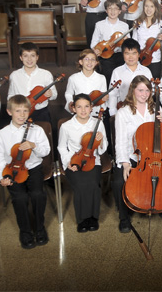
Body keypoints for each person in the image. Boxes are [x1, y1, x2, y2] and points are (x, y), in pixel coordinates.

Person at [0, 95, 50, 249]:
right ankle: (25, 232)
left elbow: (45, 151)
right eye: (18, 111)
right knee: (20, 198)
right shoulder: (1, 134)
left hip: (33, 167)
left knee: (38, 194)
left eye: (25, 111)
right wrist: (4, 175)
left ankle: (39, 228)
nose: (22, 115)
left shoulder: (36, 130)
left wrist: (33, 145)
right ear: (9, 112)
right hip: (11, 170)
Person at [113, 76, 162, 233]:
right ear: (132, 91)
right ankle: (124, 218)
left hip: (152, 157)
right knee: (119, 182)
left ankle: (159, 205)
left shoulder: (155, 109)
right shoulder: (123, 113)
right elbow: (120, 141)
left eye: (147, 90)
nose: (144, 94)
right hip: (131, 157)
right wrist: (125, 164)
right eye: (140, 90)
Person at [58, 94, 108, 233]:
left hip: (93, 160)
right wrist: (68, 162)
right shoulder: (66, 126)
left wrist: (101, 140)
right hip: (74, 160)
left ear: (92, 108)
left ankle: (93, 218)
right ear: (73, 108)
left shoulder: (98, 123)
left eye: (87, 106)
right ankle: (82, 220)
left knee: (92, 184)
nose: (83, 110)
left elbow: (103, 148)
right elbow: (62, 147)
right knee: (80, 185)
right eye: (79, 107)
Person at [7, 43, 58, 123]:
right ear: (21, 57)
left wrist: (50, 94)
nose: (29, 59)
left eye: (32, 56)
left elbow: (54, 95)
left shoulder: (46, 74)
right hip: (20, 113)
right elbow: (10, 95)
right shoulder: (14, 75)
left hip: (41, 113)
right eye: (25, 56)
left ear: (37, 57)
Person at [107, 38, 153, 116]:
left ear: (139, 54)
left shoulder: (146, 71)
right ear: (123, 55)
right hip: (123, 110)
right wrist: (113, 112)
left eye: (134, 53)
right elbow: (113, 94)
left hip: (143, 110)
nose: (130, 57)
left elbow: (152, 91)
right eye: (127, 53)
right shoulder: (117, 71)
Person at [91, 0, 130, 81]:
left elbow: (128, 45)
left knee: (122, 75)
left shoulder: (124, 26)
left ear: (120, 11)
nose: (113, 11)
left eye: (116, 9)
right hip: (105, 55)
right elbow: (94, 42)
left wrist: (126, 41)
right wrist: (96, 49)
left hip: (120, 55)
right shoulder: (99, 25)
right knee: (107, 75)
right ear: (106, 10)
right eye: (110, 8)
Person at [64, 49, 106, 116]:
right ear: (81, 62)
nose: (90, 62)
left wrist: (103, 105)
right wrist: (70, 103)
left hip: (95, 113)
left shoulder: (101, 78)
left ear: (96, 63)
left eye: (93, 59)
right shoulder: (73, 78)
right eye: (86, 59)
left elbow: (103, 95)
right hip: (79, 113)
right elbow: (68, 93)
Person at [133, 0, 162, 78]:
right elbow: (134, 42)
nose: (148, 9)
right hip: (140, 59)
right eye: (146, 6)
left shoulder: (161, 24)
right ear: (143, 7)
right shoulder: (138, 22)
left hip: (154, 60)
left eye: (152, 6)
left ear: (155, 8)